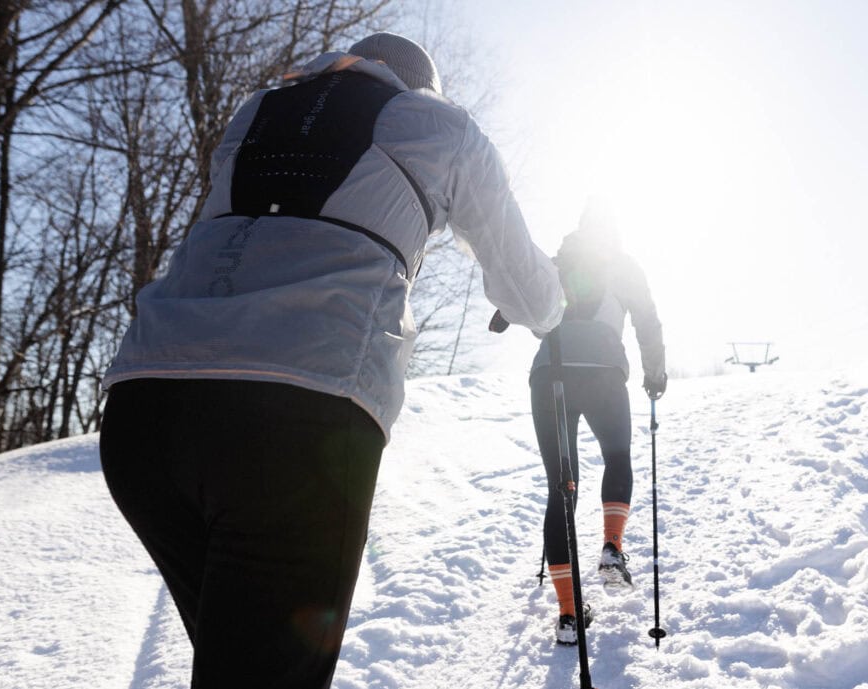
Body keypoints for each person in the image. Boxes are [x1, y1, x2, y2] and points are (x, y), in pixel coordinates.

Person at [98, 33, 563, 688]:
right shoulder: (442, 125)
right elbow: (523, 285)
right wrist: (553, 317)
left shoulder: (258, 109)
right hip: (300, 418)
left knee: (243, 663)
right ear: (423, 86)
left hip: (145, 418)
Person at [529, 199, 666, 645]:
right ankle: (612, 548)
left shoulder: (553, 265)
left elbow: (520, 308)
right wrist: (654, 372)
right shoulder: (624, 265)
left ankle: (569, 615)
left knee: (561, 486)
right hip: (605, 371)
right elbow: (646, 318)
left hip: (552, 371)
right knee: (617, 456)